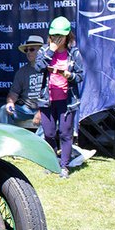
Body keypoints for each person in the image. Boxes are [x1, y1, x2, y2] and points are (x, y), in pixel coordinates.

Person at [33, 18, 84, 178]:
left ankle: (64, 166)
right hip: (47, 99)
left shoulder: (74, 53)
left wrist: (70, 76)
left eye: (60, 36)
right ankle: (52, 160)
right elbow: (38, 67)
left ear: (68, 36)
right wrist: (51, 50)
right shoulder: (43, 50)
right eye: (54, 35)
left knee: (65, 133)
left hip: (67, 100)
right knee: (49, 133)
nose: (57, 39)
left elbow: (81, 76)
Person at [0, 35, 44, 128]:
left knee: (48, 120)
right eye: (26, 50)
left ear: (41, 51)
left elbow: (53, 97)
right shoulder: (22, 71)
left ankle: (36, 142)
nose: (28, 52)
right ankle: (8, 139)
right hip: (26, 109)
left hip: (45, 109)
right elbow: (14, 93)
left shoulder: (49, 69)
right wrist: (10, 103)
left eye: (31, 49)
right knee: (3, 110)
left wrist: (41, 112)